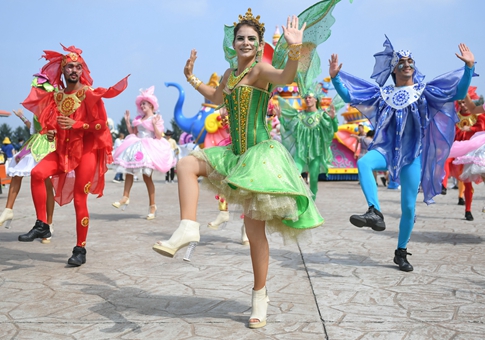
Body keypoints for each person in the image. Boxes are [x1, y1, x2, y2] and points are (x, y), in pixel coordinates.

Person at [153, 7, 329, 329]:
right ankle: (188, 228)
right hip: (233, 153)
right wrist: (191, 78)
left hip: (259, 155)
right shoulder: (230, 73)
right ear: (233, 43)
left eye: (251, 38)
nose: (245, 42)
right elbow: (217, 96)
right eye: (240, 38)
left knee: (254, 232)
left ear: (259, 43)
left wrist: (293, 47)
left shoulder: (262, 70)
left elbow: (287, 77)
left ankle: (260, 296)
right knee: (186, 164)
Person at [329, 37, 475, 272]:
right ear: (394, 69)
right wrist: (335, 77)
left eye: (410, 61)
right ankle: (374, 211)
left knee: (408, 207)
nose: (407, 64)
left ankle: (401, 252)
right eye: (402, 62)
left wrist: (469, 68)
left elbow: (458, 92)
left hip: (412, 156)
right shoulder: (382, 94)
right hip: (385, 151)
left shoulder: (424, 92)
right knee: (365, 162)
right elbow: (350, 97)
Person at [18, 44, 129, 266]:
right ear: (62, 70)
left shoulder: (89, 94)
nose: (74, 71)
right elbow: (51, 120)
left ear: (82, 70)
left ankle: (80, 249)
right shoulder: (56, 96)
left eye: (78, 67)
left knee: (80, 199)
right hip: (62, 151)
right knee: (37, 173)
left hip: (85, 152)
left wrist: (76, 124)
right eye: (70, 67)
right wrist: (51, 129)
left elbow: (100, 126)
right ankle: (42, 224)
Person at [112, 86, 174, 220]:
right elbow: (133, 133)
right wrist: (128, 122)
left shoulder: (156, 118)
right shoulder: (139, 119)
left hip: (149, 147)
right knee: (128, 170)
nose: (142, 106)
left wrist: (155, 125)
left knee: (147, 177)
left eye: (144, 103)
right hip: (136, 144)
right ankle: (125, 197)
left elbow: (158, 136)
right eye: (141, 104)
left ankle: (152, 206)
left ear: (151, 104)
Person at [0, 108, 55, 240]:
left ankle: (49, 223)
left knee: (47, 184)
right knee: (17, 173)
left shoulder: (56, 106)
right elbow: (34, 129)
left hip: (49, 146)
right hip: (34, 143)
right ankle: (8, 209)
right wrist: (22, 117)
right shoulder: (38, 109)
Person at [277, 91, 338, 201]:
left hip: (316, 154)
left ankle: (312, 205)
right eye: (306, 98)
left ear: (316, 100)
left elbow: (333, 130)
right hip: (301, 153)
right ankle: (297, 201)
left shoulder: (322, 115)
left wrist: (333, 119)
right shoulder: (299, 116)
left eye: (310, 97)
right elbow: (288, 128)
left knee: (314, 181)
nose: (307, 99)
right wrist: (280, 117)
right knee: (294, 174)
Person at [444, 91, 485, 221]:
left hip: (474, 146)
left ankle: (463, 200)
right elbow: (473, 108)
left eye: (464, 101)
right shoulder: (457, 115)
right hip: (465, 150)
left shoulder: (478, 116)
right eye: (460, 101)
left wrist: (471, 130)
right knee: (467, 179)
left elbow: (480, 124)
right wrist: (465, 88)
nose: (463, 104)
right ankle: (467, 208)